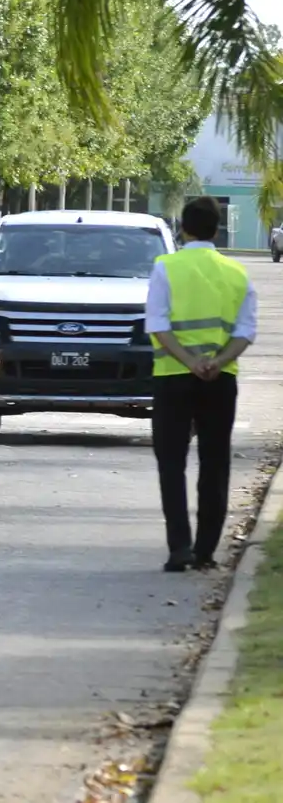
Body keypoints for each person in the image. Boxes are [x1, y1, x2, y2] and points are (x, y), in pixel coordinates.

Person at [146, 196, 257, 572]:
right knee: (215, 463)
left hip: (173, 378)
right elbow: (245, 332)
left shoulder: (165, 267)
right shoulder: (237, 273)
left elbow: (158, 326)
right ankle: (207, 550)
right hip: (220, 380)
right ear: (217, 229)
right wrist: (216, 362)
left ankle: (180, 547)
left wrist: (190, 361)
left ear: (183, 228)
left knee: (171, 462)